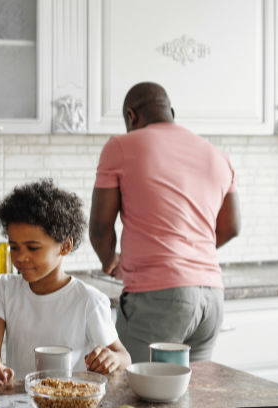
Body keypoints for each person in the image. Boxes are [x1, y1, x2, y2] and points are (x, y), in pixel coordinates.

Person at [89, 82, 241, 363]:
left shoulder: (120, 147)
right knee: (194, 395)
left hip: (158, 296)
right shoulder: (217, 156)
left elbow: (100, 227)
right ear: (170, 111)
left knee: (132, 391)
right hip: (212, 298)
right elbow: (231, 227)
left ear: (131, 116)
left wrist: (110, 261)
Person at [0, 180, 132, 385]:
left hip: (69, 404)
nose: (20, 257)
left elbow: (124, 356)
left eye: (32, 248)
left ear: (65, 246)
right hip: (20, 401)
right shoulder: (4, 288)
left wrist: (112, 359)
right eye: (14, 247)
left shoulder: (88, 300)